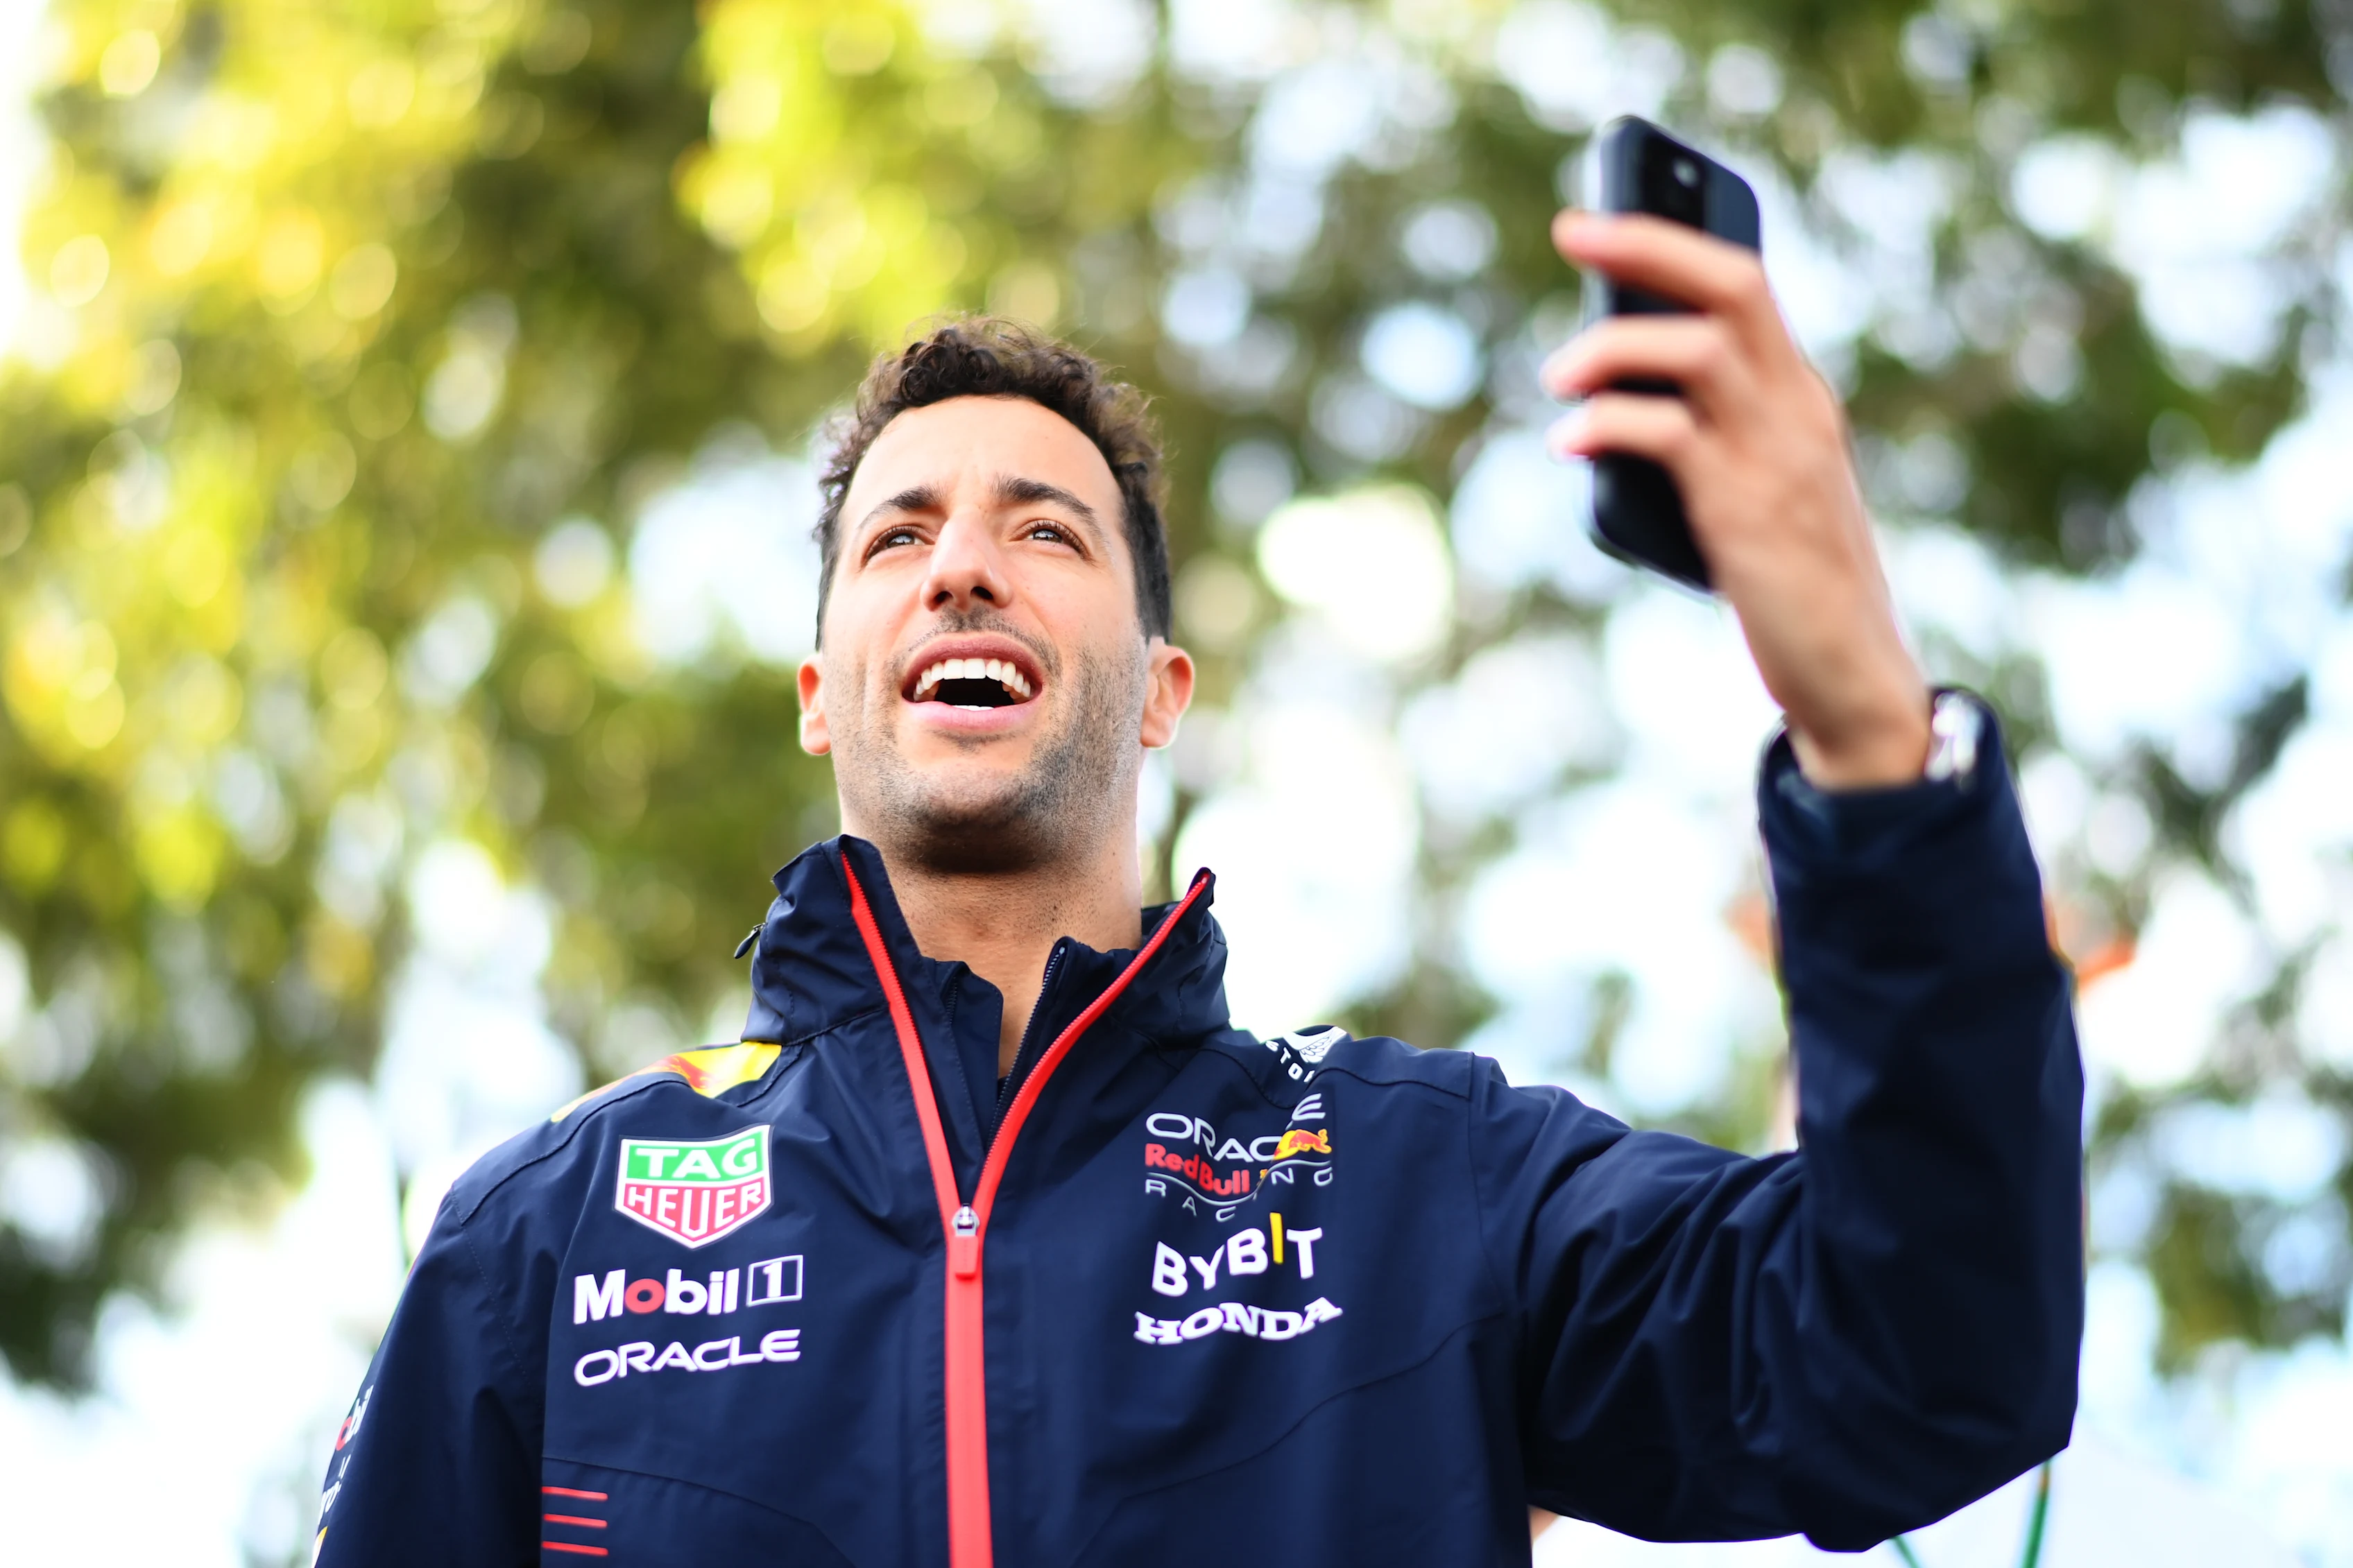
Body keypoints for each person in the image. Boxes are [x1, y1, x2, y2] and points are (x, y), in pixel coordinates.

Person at [311, 212, 2082, 1567]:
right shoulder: (547, 1231)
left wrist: (1857, 706)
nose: (963, 570)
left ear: (1160, 688)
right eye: (898, 535)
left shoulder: (1420, 1177)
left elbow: (1924, 1355)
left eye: (1045, 529)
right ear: (821, 686)